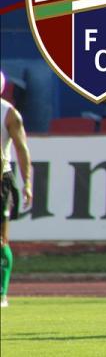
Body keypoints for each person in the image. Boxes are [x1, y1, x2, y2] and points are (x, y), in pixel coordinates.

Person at [0, 70, 32, 308]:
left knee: (1, 240)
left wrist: (27, 182)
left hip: (1, 180)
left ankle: (2, 293)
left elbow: (22, 150)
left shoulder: (9, 114)